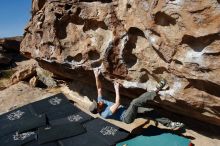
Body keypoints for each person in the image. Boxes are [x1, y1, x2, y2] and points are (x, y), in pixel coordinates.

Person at [89, 68, 184, 130]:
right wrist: (116, 89)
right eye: (98, 104)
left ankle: (170, 124)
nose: (99, 102)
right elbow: (117, 103)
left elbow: (99, 88)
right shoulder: (105, 114)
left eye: (97, 102)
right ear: (98, 110)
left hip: (128, 111)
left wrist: (96, 76)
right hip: (126, 117)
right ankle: (156, 90)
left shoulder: (100, 101)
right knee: (134, 103)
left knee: (151, 111)